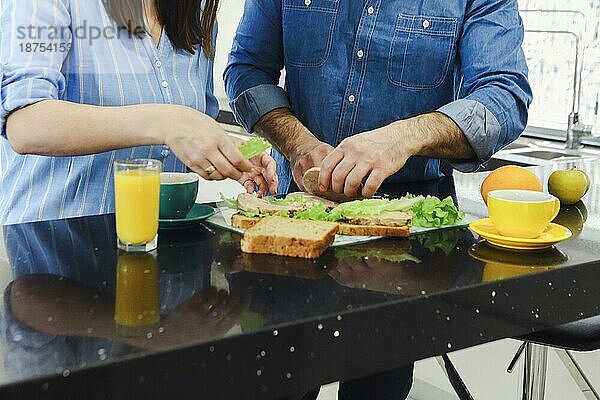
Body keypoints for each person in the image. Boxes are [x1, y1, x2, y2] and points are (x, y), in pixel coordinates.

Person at [224, 0, 532, 397]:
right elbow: (246, 68)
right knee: (278, 383)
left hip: (404, 244)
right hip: (296, 226)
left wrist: (402, 139)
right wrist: (297, 143)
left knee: (377, 389)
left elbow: (504, 95)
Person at [0, 0, 278, 225]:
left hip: (156, 253)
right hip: (53, 250)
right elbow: (25, 124)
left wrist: (230, 154)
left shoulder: (198, 10)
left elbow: (189, 128)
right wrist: (167, 122)